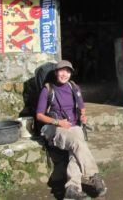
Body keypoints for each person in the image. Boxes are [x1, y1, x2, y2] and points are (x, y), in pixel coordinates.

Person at [36, 60, 107, 199]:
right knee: (79, 144)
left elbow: (81, 106)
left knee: (75, 151)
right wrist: (58, 122)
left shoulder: (73, 87)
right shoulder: (48, 89)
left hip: (73, 127)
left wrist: (83, 116)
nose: (65, 74)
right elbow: (39, 115)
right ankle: (94, 176)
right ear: (56, 72)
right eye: (61, 70)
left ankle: (72, 188)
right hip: (54, 127)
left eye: (68, 71)